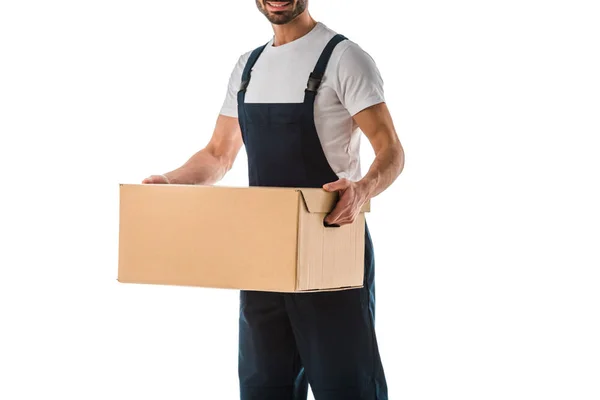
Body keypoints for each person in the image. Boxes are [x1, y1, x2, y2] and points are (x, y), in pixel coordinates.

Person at [143, 1, 405, 398]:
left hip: (330, 243)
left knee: (348, 385)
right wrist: (168, 181)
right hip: (263, 254)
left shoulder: (344, 58)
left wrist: (362, 189)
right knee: (264, 386)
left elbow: (391, 150)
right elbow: (218, 155)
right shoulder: (248, 67)